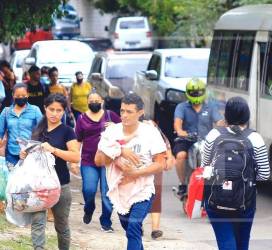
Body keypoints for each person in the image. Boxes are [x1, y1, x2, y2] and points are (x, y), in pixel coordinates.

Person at [95, 93, 166, 250]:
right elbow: (98, 160)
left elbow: (160, 164)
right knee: (130, 229)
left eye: (129, 112)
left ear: (140, 113)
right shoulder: (111, 132)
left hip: (143, 189)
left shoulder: (150, 132)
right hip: (119, 191)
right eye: (122, 111)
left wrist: (135, 174)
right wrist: (120, 150)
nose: (124, 115)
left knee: (133, 227)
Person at [201, 96, 270, 250]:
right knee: (242, 244)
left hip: (216, 200)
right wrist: (245, 178)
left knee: (226, 242)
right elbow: (264, 174)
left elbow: (205, 167)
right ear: (247, 116)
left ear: (226, 116)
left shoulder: (213, 135)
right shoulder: (255, 138)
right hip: (245, 202)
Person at [21, 93, 80, 250]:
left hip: (61, 185)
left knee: (61, 226)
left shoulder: (67, 131)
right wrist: (25, 154)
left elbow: (75, 157)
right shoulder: (37, 130)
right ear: (45, 108)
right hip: (38, 186)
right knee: (38, 222)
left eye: (59, 110)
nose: (54, 113)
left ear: (63, 111)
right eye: (51, 109)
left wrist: (53, 149)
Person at [75, 90, 120, 232]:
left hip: (108, 160)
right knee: (89, 190)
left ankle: (106, 221)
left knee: (107, 192)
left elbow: (124, 131)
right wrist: (74, 160)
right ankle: (89, 208)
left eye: (97, 100)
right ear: (87, 102)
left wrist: (115, 126)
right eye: (91, 100)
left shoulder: (110, 115)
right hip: (89, 160)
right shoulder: (81, 118)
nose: (94, 102)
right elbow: (78, 140)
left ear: (102, 101)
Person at [173, 78, 224, 197]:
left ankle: (216, 184)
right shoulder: (181, 107)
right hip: (187, 140)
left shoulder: (211, 107)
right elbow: (177, 123)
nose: (196, 95)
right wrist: (180, 131)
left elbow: (219, 121)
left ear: (204, 92)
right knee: (180, 156)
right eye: (193, 93)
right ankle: (182, 184)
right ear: (188, 93)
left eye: (199, 92)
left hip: (207, 141)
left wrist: (224, 126)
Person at [0, 83, 42, 167]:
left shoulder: (35, 110)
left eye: (23, 95)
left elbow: (42, 130)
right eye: (18, 95)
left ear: (28, 95)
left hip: (30, 153)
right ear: (13, 95)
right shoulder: (6, 112)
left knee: (28, 179)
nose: (20, 98)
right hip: (11, 154)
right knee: (12, 178)